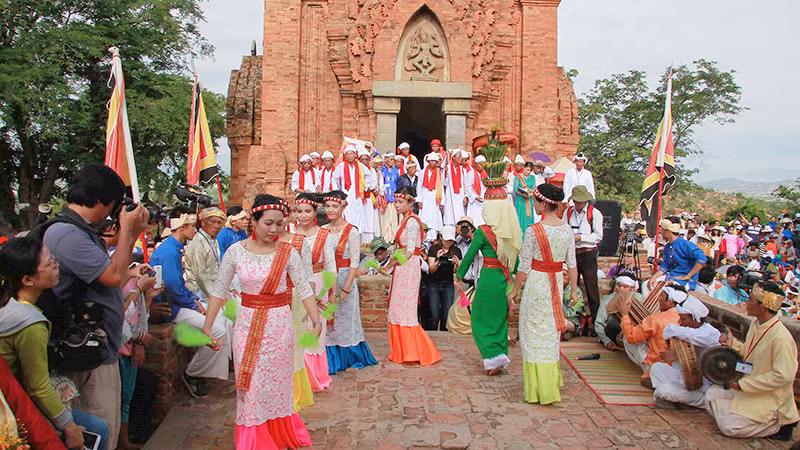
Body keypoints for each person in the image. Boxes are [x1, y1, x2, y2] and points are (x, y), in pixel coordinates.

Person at [202, 194, 322, 449]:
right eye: (268, 223)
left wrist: (316, 320)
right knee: (250, 388)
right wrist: (208, 324)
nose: (274, 229)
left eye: (280, 224)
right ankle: (254, 441)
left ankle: (278, 434)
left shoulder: (287, 252)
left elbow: (304, 287)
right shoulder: (235, 252)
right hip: (247, 327)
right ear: (253, 222)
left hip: (279, 327)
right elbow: (219, 290)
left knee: (278, 387)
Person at [42, 164, 149, 448]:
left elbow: (111, 271)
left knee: (107, 428)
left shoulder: (81, 231)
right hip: (86, 354)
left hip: (99, 349)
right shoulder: (67, 234)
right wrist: (129, 231)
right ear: (104, 201)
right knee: (99, 431)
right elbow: (114, 276)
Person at [0, 235, 112, 449]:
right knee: (98, 430)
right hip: (18, 406)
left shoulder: (10, 304)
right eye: (50, 263)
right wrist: (68, 426)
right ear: (27, 279)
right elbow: (37, 386)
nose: (56, 265)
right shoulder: (29, 322)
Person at [507, 183, 579, 404]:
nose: (534, 205)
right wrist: (574, 290)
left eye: (535, 201)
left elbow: (524, 266)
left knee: (531, 333)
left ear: (543, 203)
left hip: (538, 284)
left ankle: (537, 389)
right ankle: (551, 383)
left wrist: (515, 289)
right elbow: (572, 264)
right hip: (556, 284)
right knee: (549, 334)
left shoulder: (533, 230)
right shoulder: (567, 229)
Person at [151, 211, 231, 398]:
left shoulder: (174, 247)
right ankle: (193, 373)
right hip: (169, 308)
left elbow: (178, 284)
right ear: (182, 228)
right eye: (192, 226)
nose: (195, 230)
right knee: (218, 330)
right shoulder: (170, 251)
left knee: (222, 319)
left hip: (180, 301)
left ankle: (209, 370)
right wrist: (193, 304)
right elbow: (172, 287)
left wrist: (192, 300)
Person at [455, 153, 523, 375]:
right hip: (505, 281)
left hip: (488, 279)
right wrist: (516, 283)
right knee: (500, 319)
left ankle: (493, 357)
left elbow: (469, 256)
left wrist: (458, 275)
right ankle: (500, 356)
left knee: (480, 319)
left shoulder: (483, 232)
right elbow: (516, 263)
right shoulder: (510, 233)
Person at [707, 281, 799, 440]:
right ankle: (736, 413)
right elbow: (751, 353)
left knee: (729, 427)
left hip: (769, 398)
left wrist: (744, 385)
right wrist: (732, 344)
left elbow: (784, 376)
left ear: (762, 306)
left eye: (750, 299)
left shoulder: (781, 338)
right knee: (711, 394)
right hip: (749, 388)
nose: (745, 303)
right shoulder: (756, 324)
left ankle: (778, 425)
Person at [383, 186, 442, 365]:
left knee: (405, 309)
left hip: (408, 268)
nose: (397, 206)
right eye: (396, 202)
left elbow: (410, 250)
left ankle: (411, 351)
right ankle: (402, 351)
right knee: (396, 308)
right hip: (403, 266)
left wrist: (398, 262)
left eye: (401, 202)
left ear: (411, 202)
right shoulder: (405, 220)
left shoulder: (412, 222)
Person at [322, 191, 379, 373]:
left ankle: (350, 356)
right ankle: (331, 359)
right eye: (328, 206)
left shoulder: (351, 231)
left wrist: (346, 288)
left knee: (346, 320)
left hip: (345, 278)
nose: (331, 210)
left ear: (343, 207)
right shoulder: (323, 230)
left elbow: (355, 262)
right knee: (329, 321)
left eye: (335, 206)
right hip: (327, 280)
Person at [293, 194, 336, 393]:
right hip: (294, 286)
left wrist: (328, 292)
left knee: (315, 328)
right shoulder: (289, 233)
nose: (303, 215)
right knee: (297, 328)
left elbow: (331, 266)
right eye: (299, 211)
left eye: (307, 211)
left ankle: (315, 376)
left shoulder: (323, 235)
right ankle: (298, 375)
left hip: (318, 283)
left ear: (314, 212)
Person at [649, 295, 720, 409]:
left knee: (663, 391)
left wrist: (675, 355)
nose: (680, 322)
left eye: (683, 319)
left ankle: (701, 401)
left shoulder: (709, 334)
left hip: (702, 385)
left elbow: (671, 329)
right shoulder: (693, 331)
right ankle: (680, 396)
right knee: (656, 368)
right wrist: (675, 356)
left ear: (695, 319)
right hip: (688, 378)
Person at [618, 285, 683, 388]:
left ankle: (648, 369)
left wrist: (624, 315)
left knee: (628, 336)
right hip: (679, 369)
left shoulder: (655, 319)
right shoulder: (688, 319)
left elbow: (631, 337)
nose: (658, 299)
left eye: (661, 296)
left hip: (656, 366)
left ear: (670, 302)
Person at [564, 185, 604, 320]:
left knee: (591, 287)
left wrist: (581, 237)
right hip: (572, 252)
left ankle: (596, 321)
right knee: (570, 287)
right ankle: (573, 318)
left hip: (588, 252)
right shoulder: (568, 212)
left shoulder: (594, 213)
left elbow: (598, 235)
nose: (577, 203)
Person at [648, 218, 707, 291]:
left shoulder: (685, 244)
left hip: (684, 281)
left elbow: (702, 258)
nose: (660, 232)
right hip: (671, 277)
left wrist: (689, 275)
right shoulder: (667, 247)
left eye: (662, 230)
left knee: (663, 291)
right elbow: (665, 267)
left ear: (668, 231)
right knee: (647, 285)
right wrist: (654, 277)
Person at [332, 144, 375, 243]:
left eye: (352, 154)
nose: (350, 156)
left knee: (358, 215)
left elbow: (368, 175)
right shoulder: (341, 166)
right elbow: (334, 178)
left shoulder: (360, 166)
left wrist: (365, 187)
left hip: (358, 196)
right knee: (346, 214)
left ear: (355, 155)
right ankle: (346, 236)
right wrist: (337, 191)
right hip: (346, 195)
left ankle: (357, 238)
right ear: (345, 156)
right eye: (348, 154)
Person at [185, 207, 226, 302]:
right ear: (203, 222)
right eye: (213, 221)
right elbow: (200, 275)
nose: (216, 226)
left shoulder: (213, 240)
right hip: (200, 292)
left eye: (219, 223)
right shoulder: (197, 242)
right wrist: (215, 297)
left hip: (214, 289)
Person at [427, 225, 462, 331]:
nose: (448, 242)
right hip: (434, 284)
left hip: (448, 284)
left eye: (450, 240)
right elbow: (431, 269)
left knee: (446, 315)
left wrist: (457, 263)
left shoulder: (456, 251)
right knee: (434, 315)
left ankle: (444, 334)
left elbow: (458, 271)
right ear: (441, 237)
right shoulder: (434, 249)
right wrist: (438, 260)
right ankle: (433, 335)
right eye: (446, 240)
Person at [594, 274, 643, 352]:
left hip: (635, 333)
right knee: (613, 324)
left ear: (632, 289)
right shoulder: (607, 301)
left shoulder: (640, 298)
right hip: (615, 331)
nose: (621, 289)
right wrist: (606, 341)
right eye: (619, 285)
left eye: (625, 287)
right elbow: (598, 324)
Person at [418, 152, 445, 241]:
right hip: (425, 197)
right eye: (432, 161)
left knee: (434, 218)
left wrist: (442, 201)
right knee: (424, 217)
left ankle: (433, 237)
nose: (433, 163)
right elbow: (419, 187)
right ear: (428, 161)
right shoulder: (422, 172)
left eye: (435, 161)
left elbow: (441, 186)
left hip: (435, 198)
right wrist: (419, 200)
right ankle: (424, 237)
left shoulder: (439, 173)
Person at [443, 148, 466, 227]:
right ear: (453, 158)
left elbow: (464, 183)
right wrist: (445, 173)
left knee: (460, 215)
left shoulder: (462, 169)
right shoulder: (448, 168)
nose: (461, 159)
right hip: (451, 195)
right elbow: (444, 183)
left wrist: (465, 196)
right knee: (450, 215)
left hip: (460, 195)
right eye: (459, 157)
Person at [513, 162, 536, 235]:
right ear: (524, 168)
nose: (528, 172)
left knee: (528, 218)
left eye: (530, 170)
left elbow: (534, 189)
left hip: (529, 200)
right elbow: (515, 190)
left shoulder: (532, 178)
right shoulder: (518, 177)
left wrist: (530, 194)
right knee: (520, 217)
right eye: (527, 170)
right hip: (520, 201)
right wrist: (524, 194)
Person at [380, 154, 399, 243]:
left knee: (394, 219)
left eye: (393, 159)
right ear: (386, 160)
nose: (392, 161)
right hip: (385, 198)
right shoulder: (382, 170)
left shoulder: (396, 171)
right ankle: (385, 237)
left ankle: (393, 238)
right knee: (385, 219)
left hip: (394, 197)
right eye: (391, 159)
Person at [465, 155, 487, 227]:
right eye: (480, 164)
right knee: (474, 221)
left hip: (484, 200)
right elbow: (468, 188)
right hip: (474, 202)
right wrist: (475, 197)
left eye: (484, 164)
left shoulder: (487, 174)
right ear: (476, 164)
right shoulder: (470, 174)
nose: (482, 166)